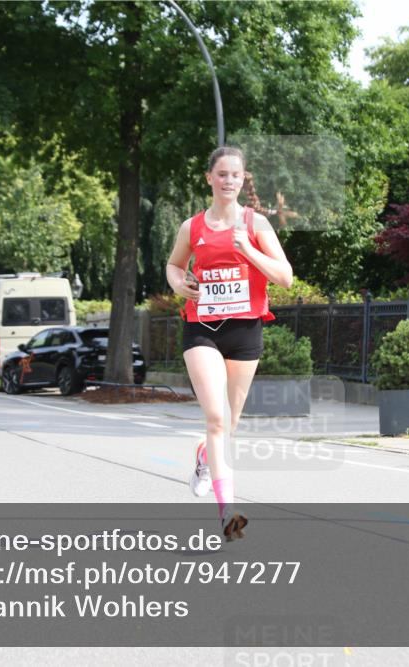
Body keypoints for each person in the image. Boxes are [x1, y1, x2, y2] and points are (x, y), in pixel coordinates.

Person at [165, 146, 293, 540]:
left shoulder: (256, 224)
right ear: (210, 178)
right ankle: (227, 512)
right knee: (216, 419)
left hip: (245, 329)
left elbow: (285, 277)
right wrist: (178, 283)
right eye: (221, 174)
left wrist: (248, 249)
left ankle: (204, 456)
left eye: (235, 175)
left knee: (229, 424)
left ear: (243, 179)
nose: (228, 181)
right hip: (202, 327)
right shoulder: (193, 227)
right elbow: (173, 264)